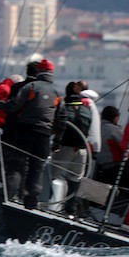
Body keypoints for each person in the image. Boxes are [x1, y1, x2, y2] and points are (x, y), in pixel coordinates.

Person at [0, 59, 61, 209]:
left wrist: (0, 105)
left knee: (17, 164)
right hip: (44, 136)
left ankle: (7, 196)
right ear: (52, 73)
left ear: (39, 71)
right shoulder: (57, 92)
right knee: (37, 167)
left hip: (26, 131)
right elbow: (61, 118)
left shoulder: (31, 86)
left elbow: (15, 106)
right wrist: (57, 138)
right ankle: (31, 200)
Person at [50, 82, 97, 216]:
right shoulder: (87, 109)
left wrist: (55, 143)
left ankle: (45, 202)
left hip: (66, 148)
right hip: (83, 150)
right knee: (76, 180)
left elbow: (60, 126)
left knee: (50, 174)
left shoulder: (64, 107)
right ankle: (71, 210)